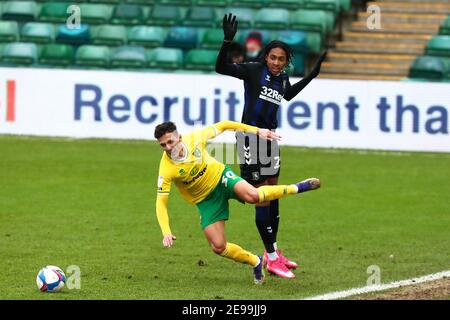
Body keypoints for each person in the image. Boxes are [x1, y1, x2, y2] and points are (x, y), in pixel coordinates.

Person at [215, 13, 327, 279]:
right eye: (273, 57)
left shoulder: (282, 78)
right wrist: (227, 41)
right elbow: (222, 67)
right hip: (250, 138)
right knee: (262, 196)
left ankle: (273, 253)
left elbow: (287, 95)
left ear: (287, 61)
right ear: (266, 57)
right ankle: (272, 257)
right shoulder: (253, 70)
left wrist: (312, 75)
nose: (277, 62)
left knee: (273, 192)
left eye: (282, 59)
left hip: (270, 139)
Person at [154, 120, 320, 283]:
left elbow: (224, 125)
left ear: (179, 137)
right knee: (218, 246)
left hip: (222, 178)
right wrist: (166, 231)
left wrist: (257, 131)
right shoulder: (166, 168)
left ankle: (298, 187)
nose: (168, 147)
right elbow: (161, 202)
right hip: (205, 200)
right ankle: (255, 261)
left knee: (253, 196)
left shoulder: (195, 138)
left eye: (170, 141)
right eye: (163, 145)